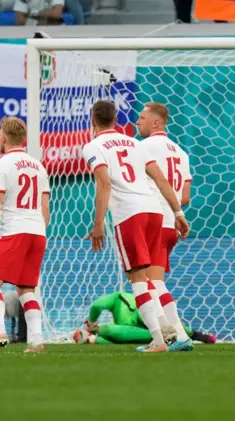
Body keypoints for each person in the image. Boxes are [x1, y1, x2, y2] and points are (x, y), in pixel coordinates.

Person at [82, 100, 190, 353]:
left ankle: (159, 341)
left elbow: (104, 184)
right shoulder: (134, 143)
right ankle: (167, 328)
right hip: (155, 211)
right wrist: (178, 212)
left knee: (137, 280)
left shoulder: (94, 146)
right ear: (116, 119)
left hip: (130, 214)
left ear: (94, 121)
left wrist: (98, 223)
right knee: (153, 280)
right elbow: (161, 179)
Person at [0, 117, 50, 353]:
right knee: (26, 288)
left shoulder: (1, 165)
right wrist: (39, 229)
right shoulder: (38, 166)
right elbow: (45, 208)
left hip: (14, 231)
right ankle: (36, 341)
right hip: (38, 232)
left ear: (3, 137)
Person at [137, 102, 194, 352]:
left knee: (151, 282)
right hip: (171, 222)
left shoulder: (143, 147)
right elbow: (185, 196)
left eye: (142, 117)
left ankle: (177, 335)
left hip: (154, 221)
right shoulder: (181, 153)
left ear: (156, 122)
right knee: (154, 281)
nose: (138, 121)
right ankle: (171, 335)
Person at [73, 292, 217, 345]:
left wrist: (91, 322)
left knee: (146, 314)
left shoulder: (120, 297)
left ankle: (190, 333)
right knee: (108, 331)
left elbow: (97, 305)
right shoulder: (117, 320)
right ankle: (90, 339)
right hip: (140, 328)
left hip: (141, 311)